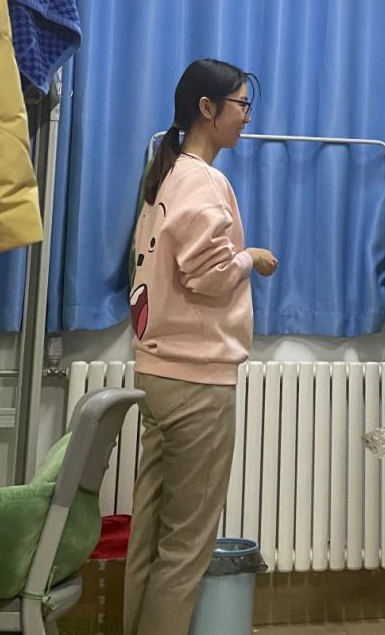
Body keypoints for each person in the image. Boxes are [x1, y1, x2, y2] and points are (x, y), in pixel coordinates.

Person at [124, 59, 277, 635]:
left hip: (158, 372)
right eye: (241, 105)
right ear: (207, 109)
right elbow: (209, 275)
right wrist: (249, 258)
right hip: (196, 380)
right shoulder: (203, 179)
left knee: (150, 536)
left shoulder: (164, 174)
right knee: (186, 547)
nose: (247, 118)